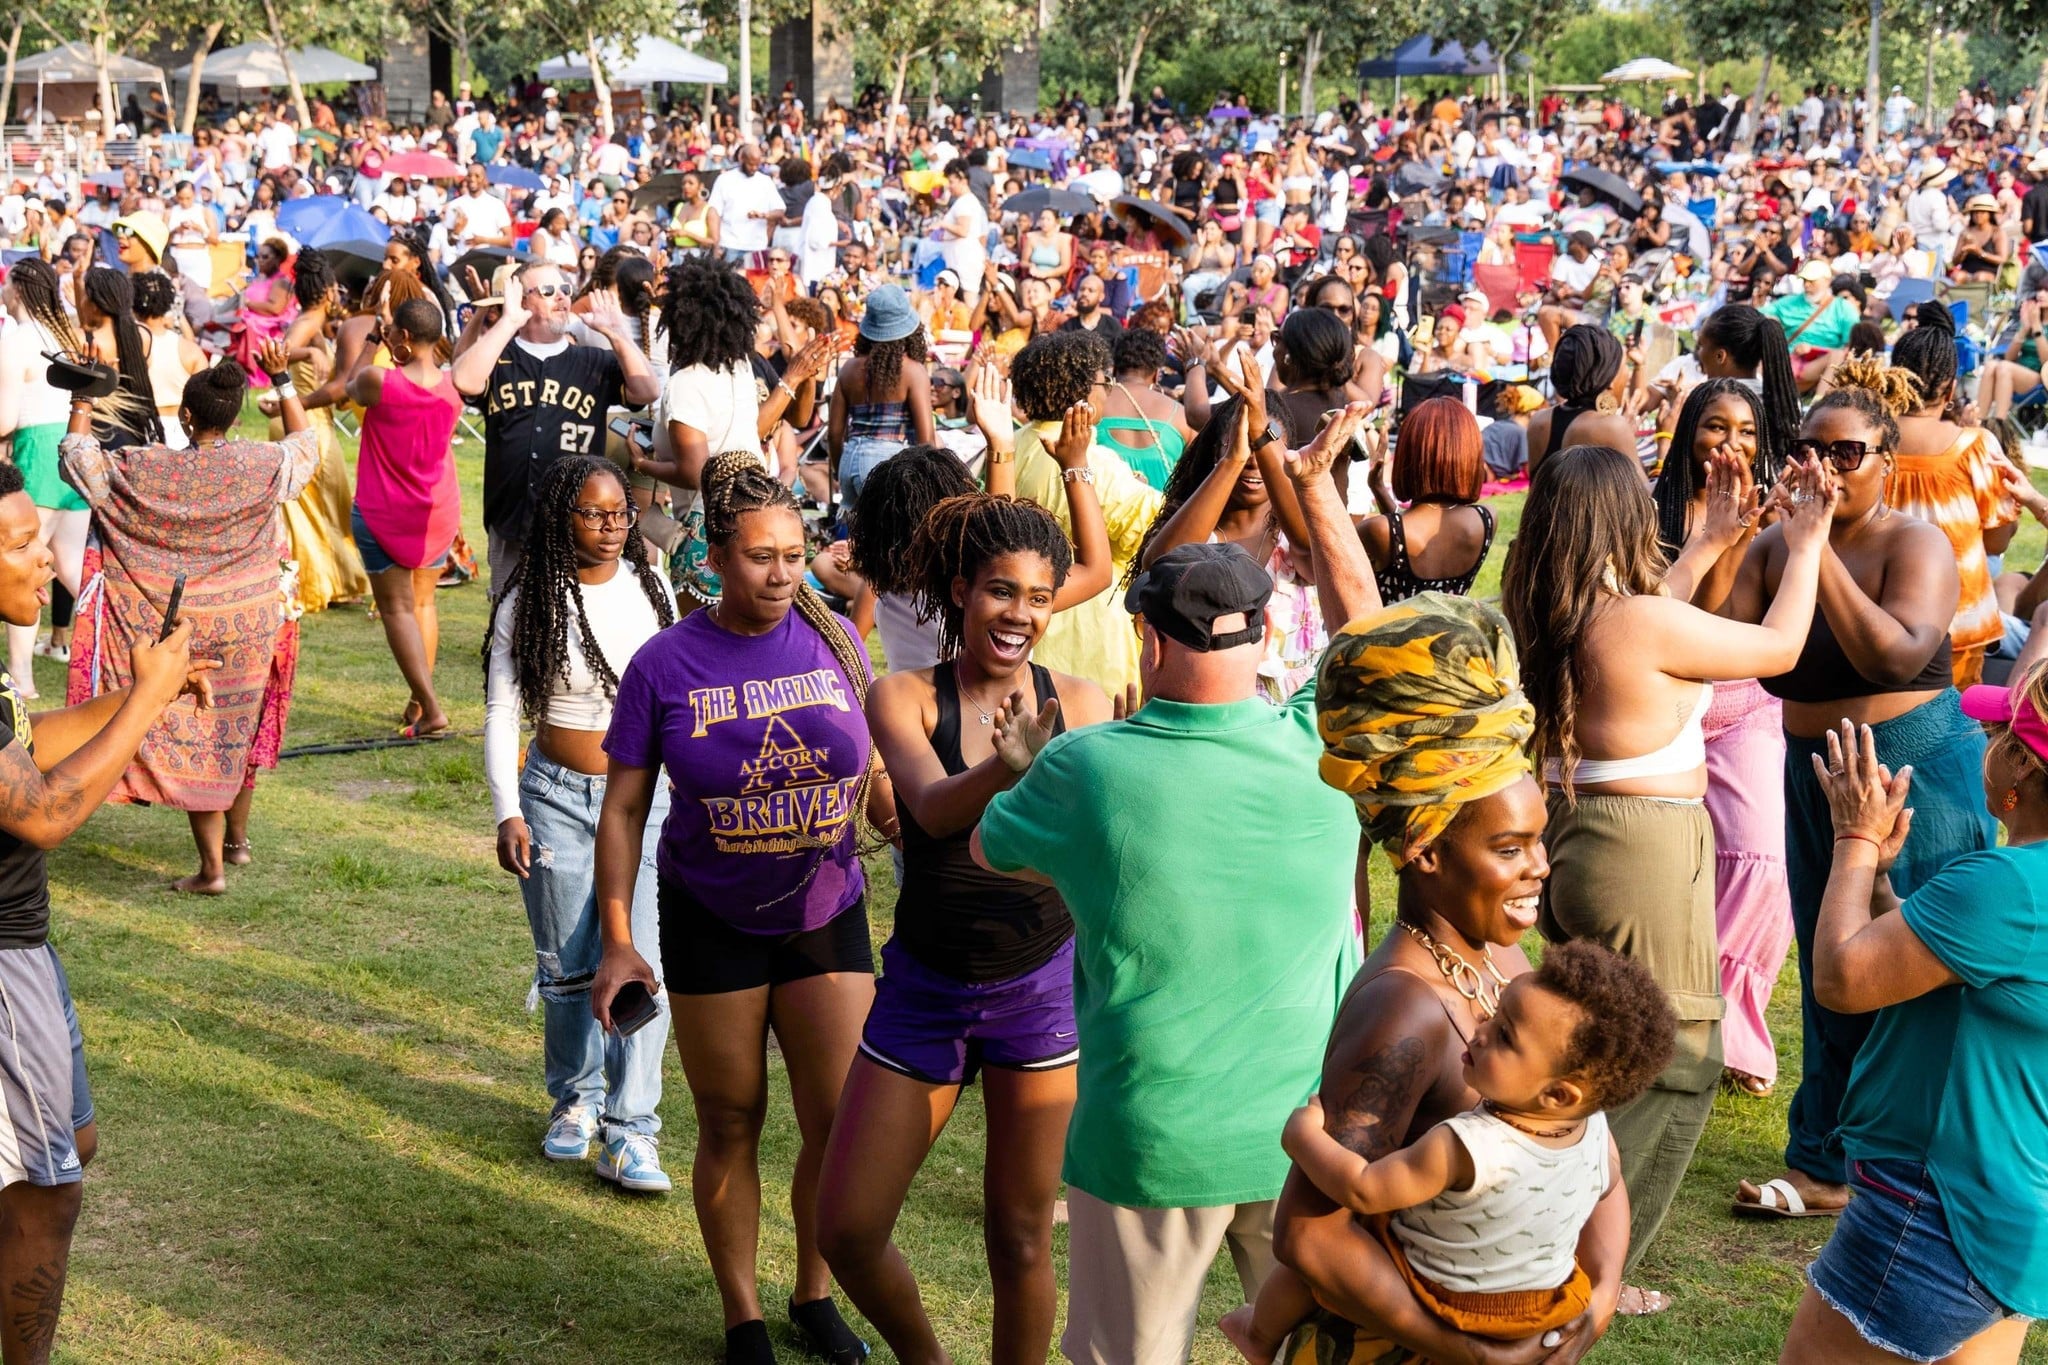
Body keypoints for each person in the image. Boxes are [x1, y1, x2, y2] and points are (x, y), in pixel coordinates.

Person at [971, 426, 1374, 1363]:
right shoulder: (1326, 742)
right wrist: (1314, 493)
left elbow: (997, 851)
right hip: (1309, 1136)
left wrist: (1033, 770)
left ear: (1146, 637)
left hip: (1149, 1137)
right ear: (1265, 632)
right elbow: (1367, 636)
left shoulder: (1085, 767)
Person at [1503, 441, 1836, 1282]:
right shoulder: (1633, 620)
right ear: (1624, 520)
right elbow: (1780, 647)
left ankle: (1539, 1243)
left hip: (1580, 835)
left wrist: (1706, 546)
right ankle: (1584, 1270)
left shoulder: (1553, 611)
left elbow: (1651, 621)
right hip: (1639, 848)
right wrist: (1806, 544)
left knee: (1587, 1044)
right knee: (1672, 1059)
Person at [1270, 589, 1630, 1360]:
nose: (1539, 865)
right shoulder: (1404, 1008)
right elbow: (1309, 1232)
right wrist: (1463, 1349)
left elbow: (1591, 1146)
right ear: (1425, 851)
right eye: (1508, 849)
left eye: (1539, 838)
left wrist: (1594, 1301)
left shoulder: (1499, 957)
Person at [589, 453, 888, 1365]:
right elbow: (627, 806)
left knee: (836, 1119)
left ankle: (813, 1291)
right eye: (760, 556)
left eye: (795, 554)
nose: (782, 574)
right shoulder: (664, 664)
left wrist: (917, 818)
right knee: (730, 1119)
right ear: (715, 555)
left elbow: (874, 768)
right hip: (709, 916)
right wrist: (616, 940)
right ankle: (743, 1315)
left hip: (827, 907)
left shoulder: (836, 640)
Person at [817, 486, 1113, 1365]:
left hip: (1039, 990)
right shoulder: (904, 694)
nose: (1018, 613)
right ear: (959, 590)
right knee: (849, 1228)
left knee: (1020, 1238)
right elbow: (937, 813)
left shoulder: (1090, 705)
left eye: (1037, 595)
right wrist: (1009, 766)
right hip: (926, 986)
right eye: (999, 590)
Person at [1725, 378, 1999, 1220]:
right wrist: (1735, 534)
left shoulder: (1912, 544)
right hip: (1812, 766)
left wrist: (1816, 551)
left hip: (1914, 765)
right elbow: (1733, 645)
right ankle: (1827, 1160)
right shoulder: (1777, 547)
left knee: (1925, 961)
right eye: (1813, 450)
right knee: (1830, 966)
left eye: (1849, 453)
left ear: (1887, 463)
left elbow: (1892, 655)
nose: (1828, 468)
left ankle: (1943, 1156)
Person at [0, 450, 210, 1365]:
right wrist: (148, 703)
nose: (44, 551)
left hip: (27, 947)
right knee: (47, 1192)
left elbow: (26, 749)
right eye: (17, 541)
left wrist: (136, 695)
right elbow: (42, 812)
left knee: (69, 1140)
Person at [1225, 942, 1676, 1365]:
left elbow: (1363, 1188)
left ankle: (1258, 1333)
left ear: (1558, 1094)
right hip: (1539, 1310)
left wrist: (1303, 1138)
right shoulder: (1593, 1132)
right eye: (1492, 1017)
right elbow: (1606, 1186)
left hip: (1454, 1301)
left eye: (1504, 1037)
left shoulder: (1469, 1145)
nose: (1479, 1034)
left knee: (1329, 1246)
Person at [1773, 672, 2048, 1363]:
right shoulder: (2018, 892)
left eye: (1995, 732)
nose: (1982, 742)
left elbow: (1841, 977)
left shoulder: (2003, 886)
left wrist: (1854, 839)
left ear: (2022, 763)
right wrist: (1878, 881)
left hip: (1931, 1211)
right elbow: (1937, 961)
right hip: (2012, 1216)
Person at [61, 347, 319, 895]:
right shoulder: (263, 463)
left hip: (178, 626)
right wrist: (283, 380)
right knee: (236, 728)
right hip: (251, 621)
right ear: (236, 415)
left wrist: (83, 396)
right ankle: (238, 843)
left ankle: (213, 871)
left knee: (198, 733)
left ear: (187, 416)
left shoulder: (147, 467)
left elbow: (78, 459)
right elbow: (306, 445)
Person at [485, 456, 677, 1189]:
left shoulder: (651, 589)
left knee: (642, 959)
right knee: (566, 962)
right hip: (554, 794)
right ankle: (577, 1099)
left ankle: (634, 1131)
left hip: (645, 799)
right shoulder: (529, 598)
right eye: (593, 512)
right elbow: (504, 709)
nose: (610, 526)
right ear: (562, 516)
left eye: (621, 513)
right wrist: (508, 806)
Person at [1651, 380, 1793, 1099]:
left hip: (1742, 704)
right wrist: (1713, 533)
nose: (1729, 444)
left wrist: (1740, 535)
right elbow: (1678, 623)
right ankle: (1669, 1011)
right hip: (1664, 700)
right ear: (1688, 436)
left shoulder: (1773, 521)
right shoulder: (1651, 512)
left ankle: (1731, 1024)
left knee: (1764, 856)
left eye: (1744, 432)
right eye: (1714, 427)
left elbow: (1729, 620)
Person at [451, 262, 659, 597]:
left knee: (571, 618)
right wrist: (508, 321)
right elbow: (463, 380)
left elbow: (647, 391)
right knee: (509, 613)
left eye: (565, 289)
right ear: (522, 300)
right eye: (548, 291)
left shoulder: (594, 361)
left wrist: (616, 333)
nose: (561, 297)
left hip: (576, 519)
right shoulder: (499, 357)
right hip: (511, 517)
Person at [1007, 332, 1163, 696]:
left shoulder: (1018, 442)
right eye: (1103, 381)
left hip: (1035, 625)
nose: (1108, 390)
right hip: (1091, 634)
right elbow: (1156, 531)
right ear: (1079, 390)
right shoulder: (1093, 461)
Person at [345, 298, 464, 739]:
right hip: (437, 510)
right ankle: (419, 697)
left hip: (385, 509)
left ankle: (430, 706)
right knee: (423, 603)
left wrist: (372, 341)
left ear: (405, 338)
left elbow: (349, 385)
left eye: (394, 332)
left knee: (397, 608)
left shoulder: (380, 380)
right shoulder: (454, 387)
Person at [1883, 330, 2016, 689]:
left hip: (1883, 622)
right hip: (1962, 622)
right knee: (1956, 729)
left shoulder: (1869, 442)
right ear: (1951, 387)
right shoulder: (1976, 445)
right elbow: (1997, 543)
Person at [0, 260, 97, 697]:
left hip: (36, 453)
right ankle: (125, 633)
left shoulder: (14, 341)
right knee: (71, 567)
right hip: (73, 450)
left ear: (17, 291)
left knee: (25, 570)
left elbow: (3, 418)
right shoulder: (64, 335)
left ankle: (22, 679)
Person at [268, 251, 371, 614]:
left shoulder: (315, 322)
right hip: (305, 423)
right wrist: (307, 356)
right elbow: (278, 352)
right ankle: (316, 585)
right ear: (328, 290)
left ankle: (334, 582)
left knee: (325, 505)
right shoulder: (309, 321)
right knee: (317, 506)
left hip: (309, 418)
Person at [1359, 397, 1496, 604]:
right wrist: (1378, 489)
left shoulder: (1377, 530)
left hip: (1390, 635)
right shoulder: (1486, 520)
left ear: (1408, 455)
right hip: (1452, 635)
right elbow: (1401, 536)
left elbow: (1398, 539)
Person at [829, 285, 936, 509]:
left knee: (859, 539)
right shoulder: (913, 371)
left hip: (850, 459)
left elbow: (835, 433)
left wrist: (842, 469)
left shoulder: (849, 369)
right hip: (889, 463)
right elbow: (926, 439)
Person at [1525, 326, 1635, 477]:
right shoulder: (1612, 427)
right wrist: (1665, 437)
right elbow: (1646, 496)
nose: (1628, 374)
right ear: (1609, 377)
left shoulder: (1538, 421)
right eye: (1624, 366)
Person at [1093, 328, 1192, 492]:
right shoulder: (1181, 415)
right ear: (1156, 374)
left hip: (1100, 514)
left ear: (1115, 369)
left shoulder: (1092, 407)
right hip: (1165, 516)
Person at [1762, 261, 1858, 393]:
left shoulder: (1843, 309)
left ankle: (1818, 402)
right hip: (1788, 363)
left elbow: (1850, 348)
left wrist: (1814, 350)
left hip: (1822, 365)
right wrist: (1771, 322)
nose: (1807, 285)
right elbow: (1761, 314)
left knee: (1838, 356)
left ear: (1827, 281)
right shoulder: (1790, 302)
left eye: (1812, 281)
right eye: (1804, 280)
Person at [707, 144, 785, 269]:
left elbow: (780, 211)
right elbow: (714, 212)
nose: (754, 168)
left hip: (756, 246)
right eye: (750, 164)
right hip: (730, 244)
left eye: (757, 164)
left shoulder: (765, 182)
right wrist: (716, 244)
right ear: (741, 158)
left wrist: (764, 215)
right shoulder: (724, 180)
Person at [231, 239, 298, 383]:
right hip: (252, 319)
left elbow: (275, 309)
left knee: (246, 326)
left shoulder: (281, 282)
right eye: (258, 256)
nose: (259, 260)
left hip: (269, 326)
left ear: (278, 259)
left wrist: (248, 303)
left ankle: (253, 375)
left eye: (265, 257)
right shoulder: (259, 278)